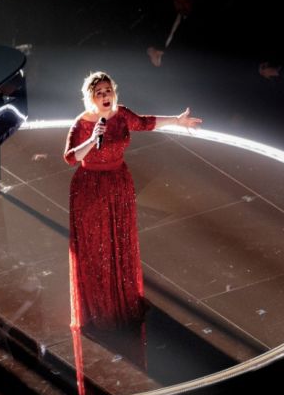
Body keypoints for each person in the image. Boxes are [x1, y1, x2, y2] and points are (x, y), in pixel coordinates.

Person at [63, 72, 201, 332]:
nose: (105, 97)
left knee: (119, 241)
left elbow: (145, 122)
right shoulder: (82, 123)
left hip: (119, 184)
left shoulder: (122, 115)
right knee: (97, 247)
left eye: (108, 91)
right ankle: (100, 307)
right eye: (99, 93)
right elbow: (70, 157)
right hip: (90, 189)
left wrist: (177, 121)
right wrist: (93, 139)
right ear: (90, 98)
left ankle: (122, 300)